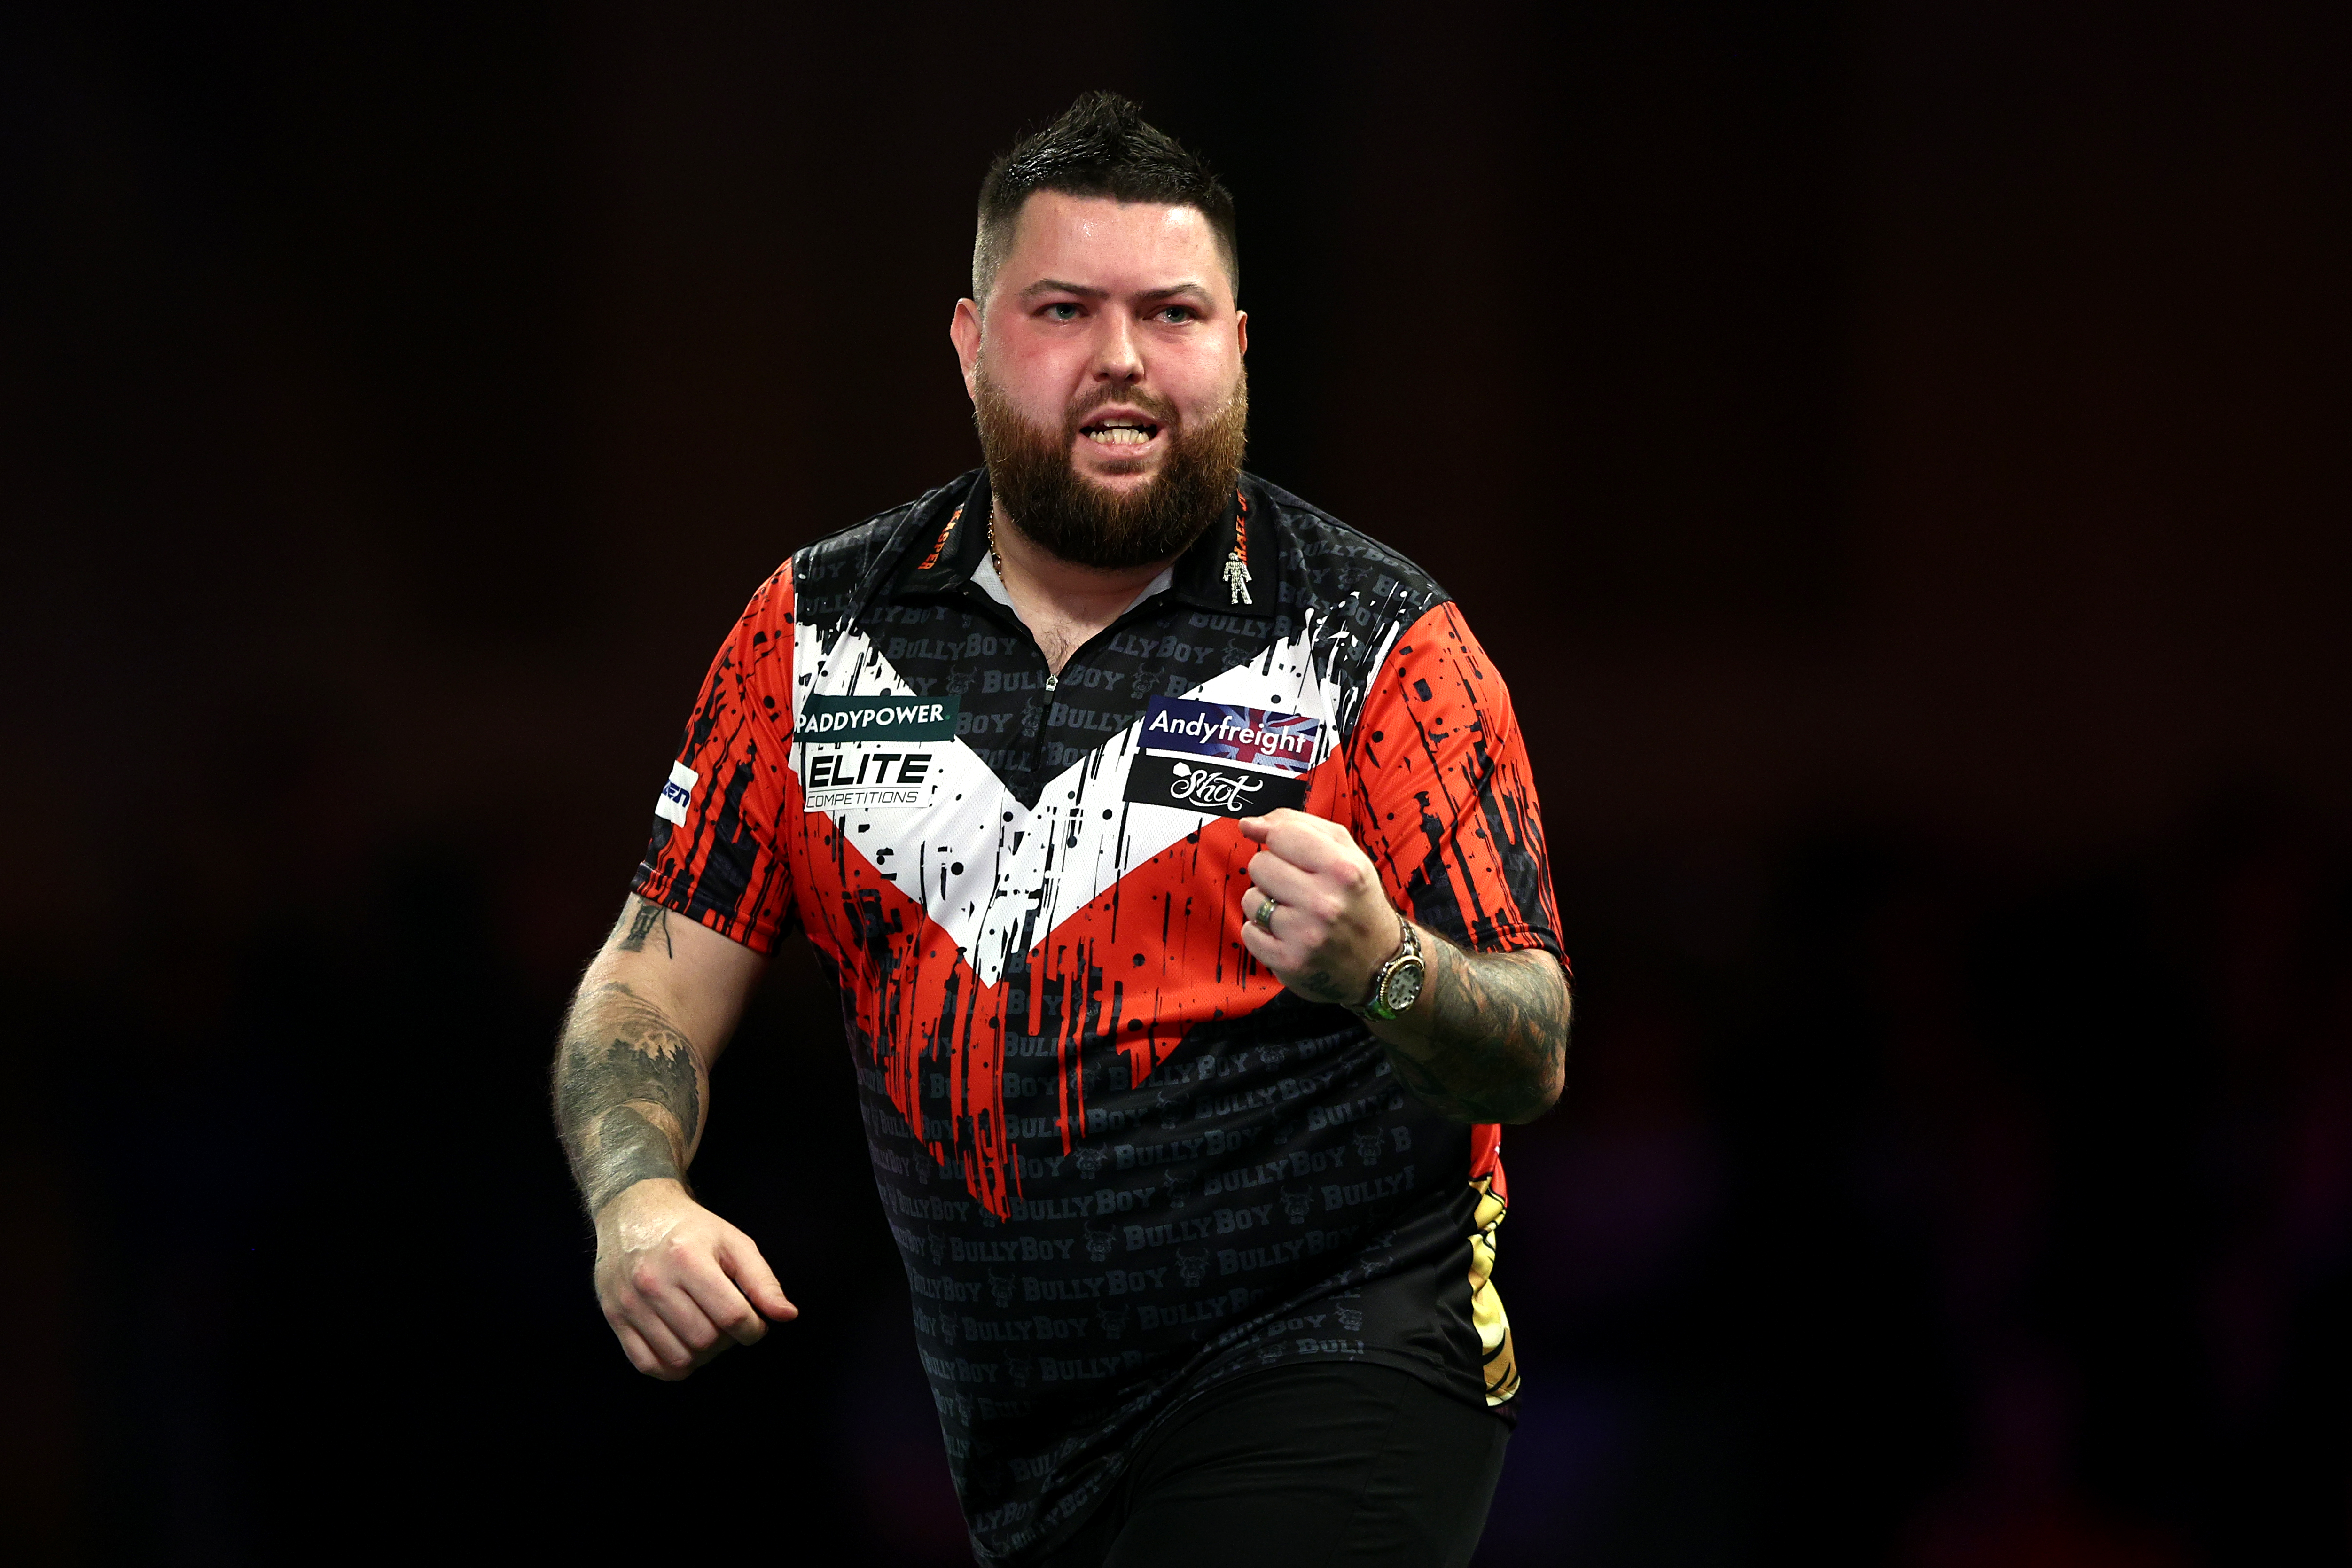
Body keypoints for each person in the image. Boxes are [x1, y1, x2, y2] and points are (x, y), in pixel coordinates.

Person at [552, 91, 1571, 1568]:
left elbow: (1531, 1040)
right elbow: (644, 986)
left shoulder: (1382, 643)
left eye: (1171, 313)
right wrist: (638, 1195)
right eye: (1062, 309)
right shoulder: (810, 638)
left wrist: (1386, 965)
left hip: (1348, 1355)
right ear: (970, 345)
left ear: (1236, 347)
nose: (1120, 360)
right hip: (1019, 1447)